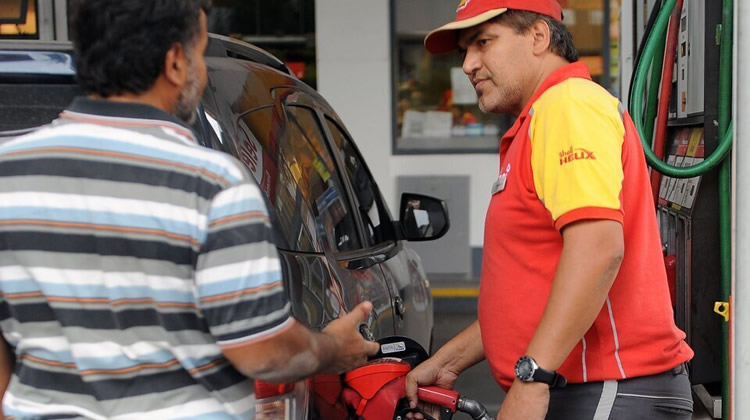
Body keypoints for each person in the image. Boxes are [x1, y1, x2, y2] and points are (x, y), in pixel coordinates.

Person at [0, 0, 378, 418]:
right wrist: (332, 348)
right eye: (199, 52)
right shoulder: (212, 184)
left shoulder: (8, 173)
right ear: (176, 62)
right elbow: (262, 353)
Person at [405, 1, 694, 419]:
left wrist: (533, 377)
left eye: (483, 42)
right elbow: (530, 294)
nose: (468, 64)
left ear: (539, 36)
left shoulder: (568, 105)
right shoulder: (538, 120)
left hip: (608, 389)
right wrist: (447, 362)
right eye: (465, 50)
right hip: (579, 387)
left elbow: (597, 249)